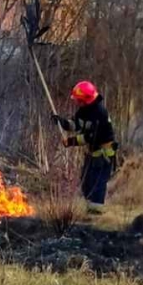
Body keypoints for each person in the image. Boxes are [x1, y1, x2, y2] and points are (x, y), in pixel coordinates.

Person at [53, 81, 118, 213]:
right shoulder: (84, 110)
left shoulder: (100, 113)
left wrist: (71, 142)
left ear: (86, 100)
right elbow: (76, 124)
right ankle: (90, 209)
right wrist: (63, 123)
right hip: (92, 153)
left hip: (104, 154)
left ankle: (96, 212)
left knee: (98, 183)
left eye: (79, 100)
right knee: (86, 182)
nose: (77, 102)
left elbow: (91, 137)